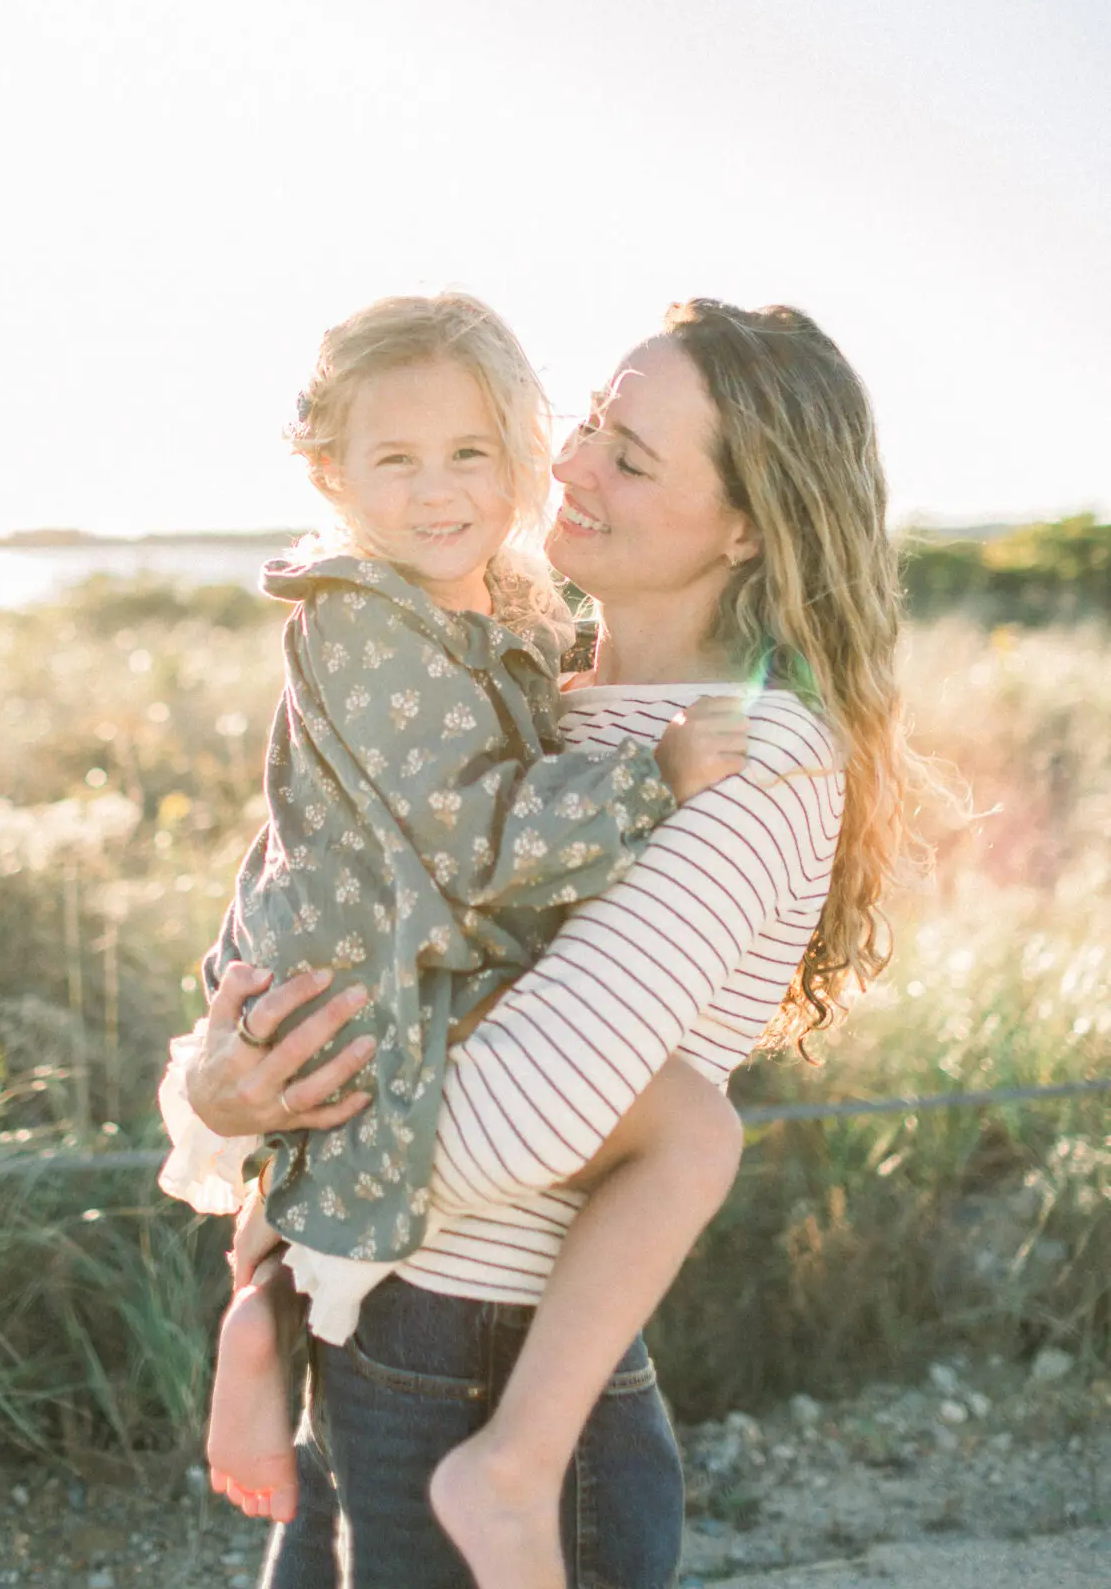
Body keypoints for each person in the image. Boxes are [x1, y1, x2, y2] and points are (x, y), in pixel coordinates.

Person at [176, 299, 928, 1589]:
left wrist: (286, 1120)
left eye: (630, 457)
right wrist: (215, 1086)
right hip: (371, 1331)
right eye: (587, 424)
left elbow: (509, 1132)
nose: (569, 466)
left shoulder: (750, 754)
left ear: (751, 527)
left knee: (699, 1127)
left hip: (477, 1358)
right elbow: (315, 910)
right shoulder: (518, 692)